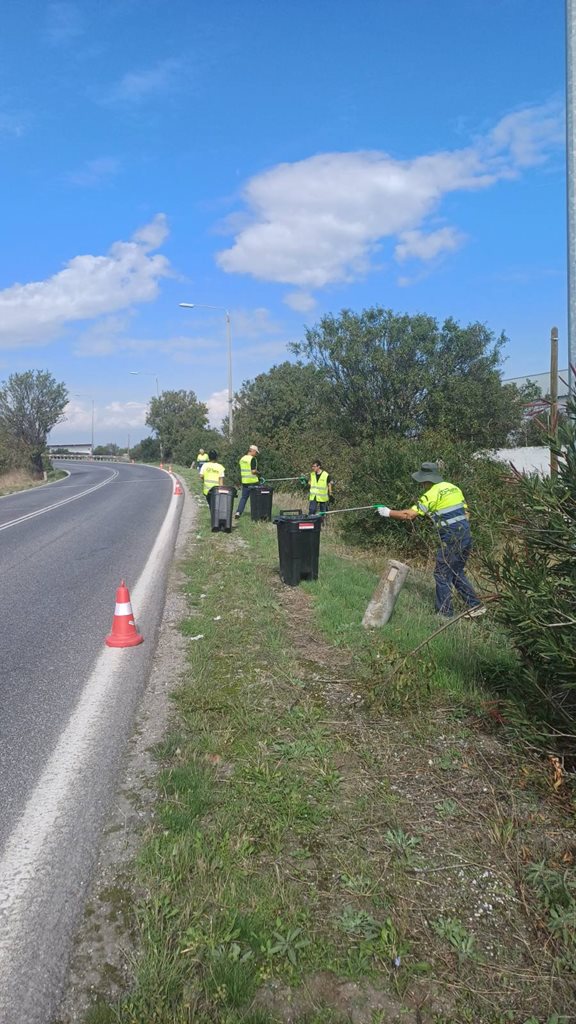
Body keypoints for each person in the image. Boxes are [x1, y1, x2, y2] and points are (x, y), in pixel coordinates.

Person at [377, 461, 486, 620]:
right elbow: (467, 511)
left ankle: (445, 614)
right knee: (455, 571)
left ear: (426, 479)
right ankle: (475, 605)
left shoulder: (431, 494)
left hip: (451, 537)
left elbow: (409, 515)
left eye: (422, 481)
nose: (422, 484)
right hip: (466, 534)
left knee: (442, 574)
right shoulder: (454, 488)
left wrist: (387, 512)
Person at [234, 444, 260, 519]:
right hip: (253, 481)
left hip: (245, 482)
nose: (256, 454)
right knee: (255, 499)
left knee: (244, 498)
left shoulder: (242, 459)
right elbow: (253, 471)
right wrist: (259, 473)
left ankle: (238, 512)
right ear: (252, 451)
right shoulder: (253, 459)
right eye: (256, 452)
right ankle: (255, 515)